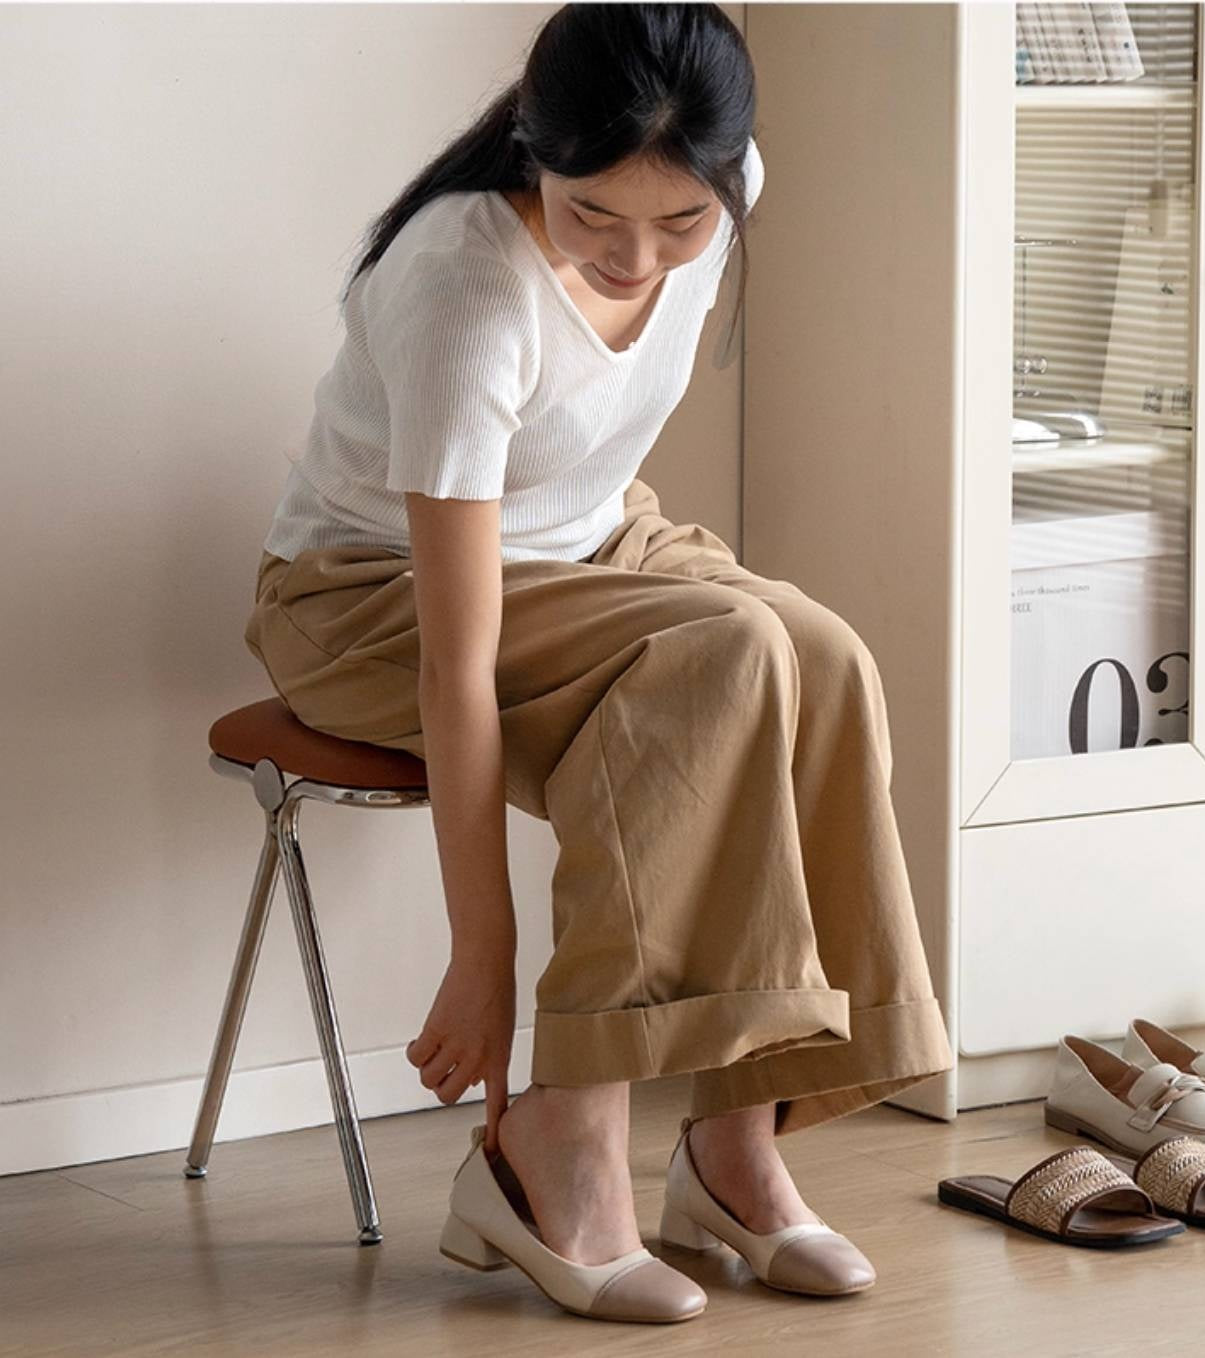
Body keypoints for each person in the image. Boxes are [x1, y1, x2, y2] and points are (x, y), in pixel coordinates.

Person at [244, 0, 954, 1321]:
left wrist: (687, 229)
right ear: (534, 149)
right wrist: (483, 956)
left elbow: (600, 470)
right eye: (596, 219)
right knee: (725, 654)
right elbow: (458, 666)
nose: (642, 256)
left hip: (596, 541)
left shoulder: (724, 176)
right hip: (367, 598)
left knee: (827, 659)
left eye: (682, 226)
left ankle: (735, 1147)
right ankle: (554, 1144)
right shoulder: (462, 290)